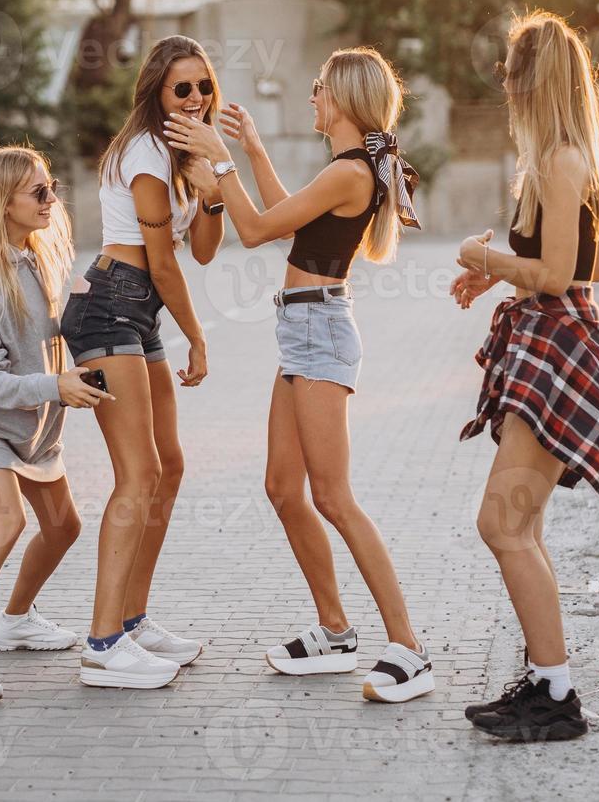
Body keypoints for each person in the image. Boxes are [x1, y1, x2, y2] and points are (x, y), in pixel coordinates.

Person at [167, 46, 435, 704]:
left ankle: (409, 646)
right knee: (285, 489)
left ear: (342, 98)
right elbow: (291, 226)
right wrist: (252, 150)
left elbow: (254, 230)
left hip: (318, 333)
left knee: (334, 499)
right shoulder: (345, 169)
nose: (311, 96)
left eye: (318, 87)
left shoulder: (351, 173)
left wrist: (218, 159)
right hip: (302, 329)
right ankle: (335, 631)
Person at [452, 11, 599, 742]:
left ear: (535, 78)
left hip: (557, 350)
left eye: (511, 71)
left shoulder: (560, 161)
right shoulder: (560, 159)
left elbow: (559, 273)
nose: (504, 83)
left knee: (501, 523)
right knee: (521, 525)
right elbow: (587, 268)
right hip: (552, 339)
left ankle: (556, 698)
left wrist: (483, 258)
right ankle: (545, 681)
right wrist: (499, 283)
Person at [60, 35, 225, 690]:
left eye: (204, 87)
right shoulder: (148, 153)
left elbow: (206, 250)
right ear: (157, 91)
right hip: (109, 307)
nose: (195, 98)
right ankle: (103, 642)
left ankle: (131, 619)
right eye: (181, 88)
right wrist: (200, 338)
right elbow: (161, 262)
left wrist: (212, 186)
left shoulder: (184, 154)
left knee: (170, 465)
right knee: (139, 473)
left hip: (138, 313)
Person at [0, 145, 112, 703]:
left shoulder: (36, 258)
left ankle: (14, 621)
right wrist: (54, 386)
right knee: (5, 522)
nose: (51, 198)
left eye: (51, 186)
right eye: (38, 192)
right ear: (2, 202)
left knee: (63, 527)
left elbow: (45, 334)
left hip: (32, 429)